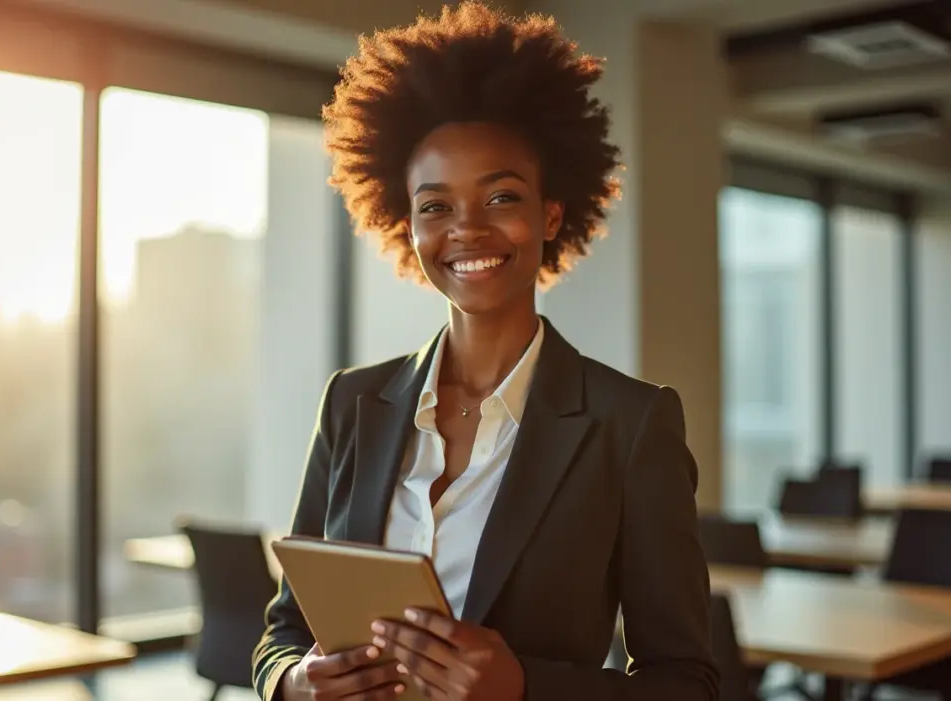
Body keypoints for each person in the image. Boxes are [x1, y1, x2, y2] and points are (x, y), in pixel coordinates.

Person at [253, 3, 720, 700]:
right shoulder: (353, 403)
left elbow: (688, 684)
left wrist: (523, 686)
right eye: (436, 206)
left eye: (501, 196)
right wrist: (292, 683)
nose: (467, 230)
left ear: (550, 214)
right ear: (404, 222)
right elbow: (283, 629)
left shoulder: (631, 425)